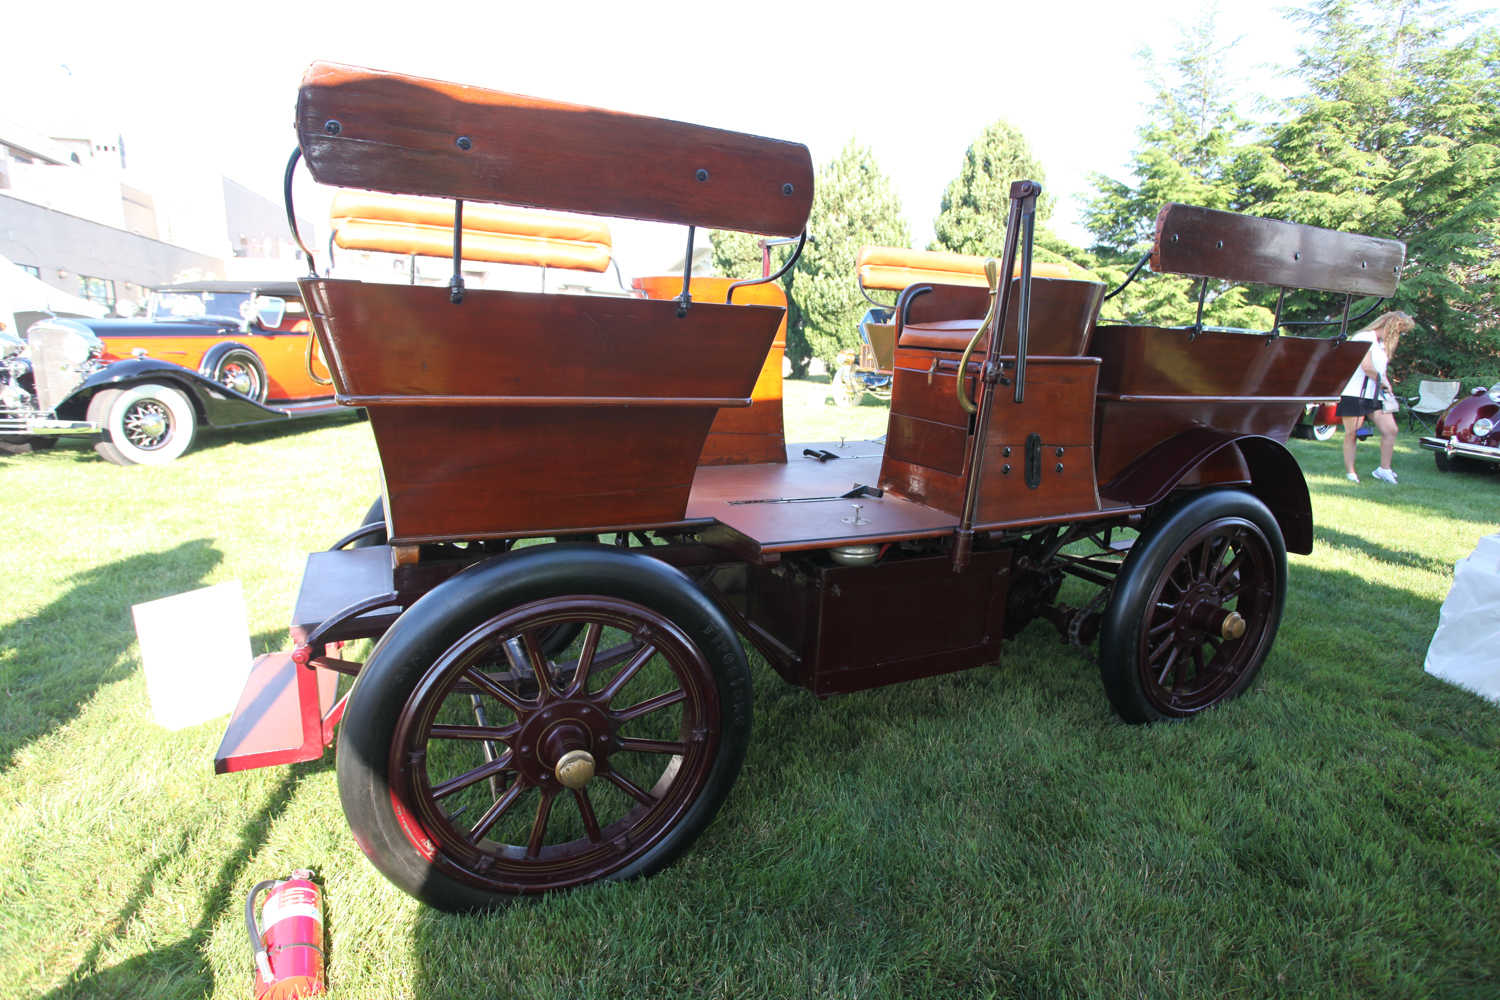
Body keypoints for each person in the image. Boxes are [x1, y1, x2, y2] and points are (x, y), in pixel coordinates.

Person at [1337, 311, 1415, 484]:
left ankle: (1384, 470)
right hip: (1355, 393)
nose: (1399, 335)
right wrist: (1382, 381)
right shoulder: (1364, 337)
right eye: (1400, 330)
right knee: (1352, 434)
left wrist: (1387, 386)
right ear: (1391, 325)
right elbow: (1367, 368)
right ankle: (1351, 473)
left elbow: (1380, 370)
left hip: (1375, 395)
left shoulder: (1381, 344)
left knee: (1391, 430)